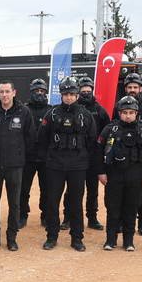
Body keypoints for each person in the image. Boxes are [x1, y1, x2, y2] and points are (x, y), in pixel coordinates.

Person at [37, 77, 97, 252]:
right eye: (66, 94)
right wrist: (48, 159)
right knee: (52, 202)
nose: (69, 97)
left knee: (76, 203)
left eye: (72, 94)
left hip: (77, 166)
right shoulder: (52, 114)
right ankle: (51, 236)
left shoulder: (86, 115)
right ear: (61, 95)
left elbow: (92, 141)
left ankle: (77, 238)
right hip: (55, 165)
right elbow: (42, 139)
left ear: (77, 95)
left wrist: (85, 160)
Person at [94, 95, 142, 251]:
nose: (128, 116)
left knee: (131, 208)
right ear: (119, 113)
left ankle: (129, 241)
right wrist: (101, 172)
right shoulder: (109, 130)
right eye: (125, 112)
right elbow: (98, 152)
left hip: (135, 175)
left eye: (131, 112)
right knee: (113, 208)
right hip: (114, 174)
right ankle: (110, 240)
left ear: (136, 113)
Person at [0, 81, 35, 251]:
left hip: (15, 166)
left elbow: (30, 139)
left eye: (7, 91)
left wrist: (20, 157)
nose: (4, 95)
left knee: (15, 204)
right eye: (2, 92)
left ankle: (12, 238)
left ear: (14, 92)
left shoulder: (24, 112)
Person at [63, 75, 111, 231]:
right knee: (71, 189)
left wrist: (103, 154)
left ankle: (92, 218)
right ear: (78, 92)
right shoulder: (70, 109)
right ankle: (67, 218)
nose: (85, 93)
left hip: (93, 156)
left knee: (92, 189)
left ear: (92, 90)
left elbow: (108, 132)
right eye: (82, 91)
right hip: (74, 156)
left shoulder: (100, 111)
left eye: (88, 90)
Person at [114, 72, 142, 236]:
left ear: (140, 88)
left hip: (141, 157)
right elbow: (113, 129)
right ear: (125, 88)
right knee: (121, 192)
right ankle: (120, 222)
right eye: (129, 87)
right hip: (122, 155)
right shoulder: (118, 106)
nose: (132, 90)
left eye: (135, 87)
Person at [20, 78, 50, 229]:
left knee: (47, 189)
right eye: (36, 91)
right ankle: (22, 215)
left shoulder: (51, 110)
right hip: (27, 157)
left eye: (42, 91)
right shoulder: (23, 110)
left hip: (46, 158)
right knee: (23, 188)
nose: (39, 93)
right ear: (31, 92)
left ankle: (45, 216)